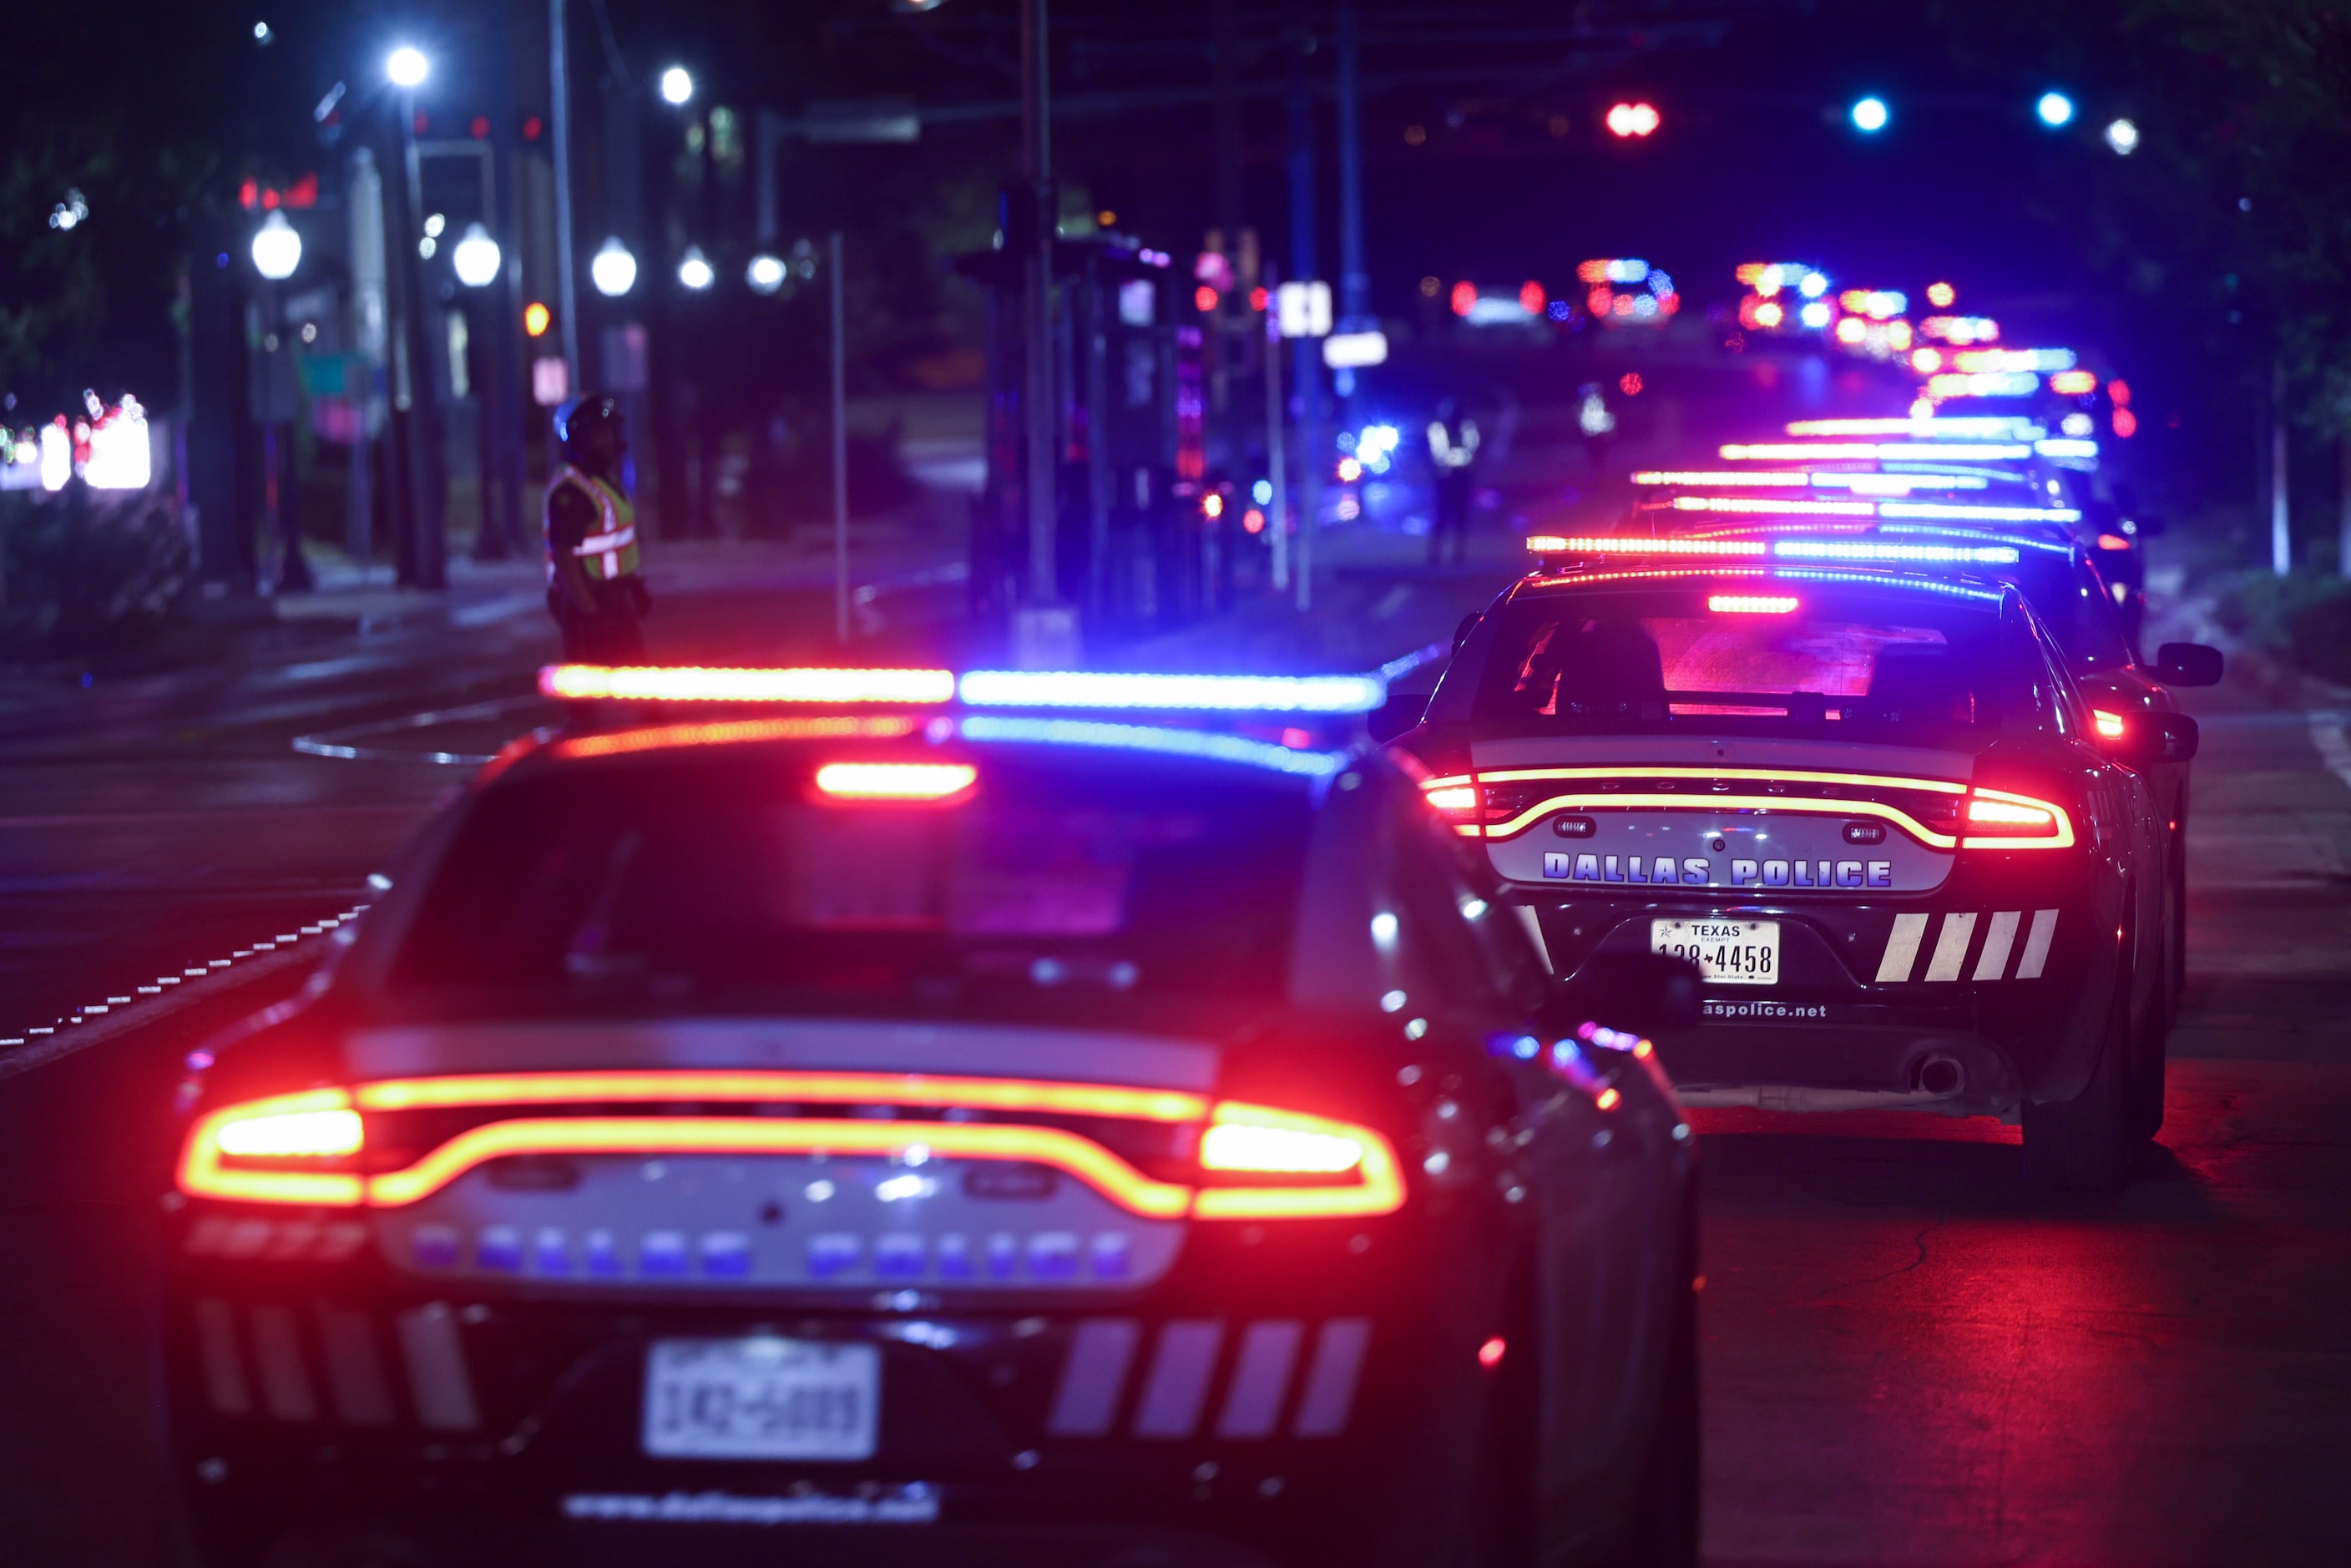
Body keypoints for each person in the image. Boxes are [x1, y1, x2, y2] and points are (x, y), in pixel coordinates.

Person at [544, 394, 650, 662]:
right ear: (579, 438)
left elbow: (614, 542)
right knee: (589, 691)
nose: (608, 441)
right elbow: (564, 557)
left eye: (609, 432)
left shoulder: (602, 482)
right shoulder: (571, 490)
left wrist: (633, 584)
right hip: (587, 604)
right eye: (598, 434)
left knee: (636, 686)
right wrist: (589, 613)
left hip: (615, 599)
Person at [1425, 398, 1480, 566]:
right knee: (1441, 518)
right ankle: (1435, 555)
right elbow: (1437, 454)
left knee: (1461, 518)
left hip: (1462, 478)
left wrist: (1460, 459)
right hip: (1445, 478)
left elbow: (1473, 448)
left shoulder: (1468, 427)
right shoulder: (1437, 429)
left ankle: (1459, 554)